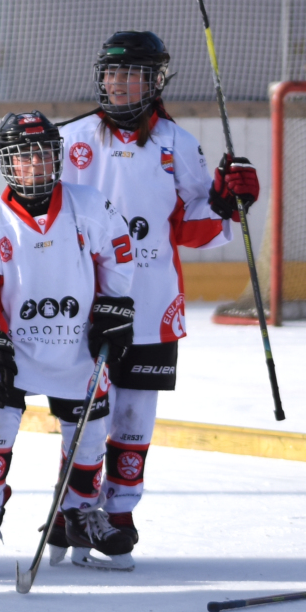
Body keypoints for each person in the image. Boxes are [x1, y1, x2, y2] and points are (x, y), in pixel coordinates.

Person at [58, 32, 257, 568]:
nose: (118, 84)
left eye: (132, 75)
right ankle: (72, 508)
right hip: (87, 303)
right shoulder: (70, 139)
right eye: (112, 74)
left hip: (153, 301)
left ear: (155, 82)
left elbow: (193, 227)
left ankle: (120, 512)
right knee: (85, 414)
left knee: (134, 415)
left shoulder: (177, 143)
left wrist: (228, 203)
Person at [0, 111, 137, 575]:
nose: (34, 164)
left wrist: (114, 307)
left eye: (42, 153)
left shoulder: (88, 205)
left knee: (89, 433)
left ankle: (80, 513)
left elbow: (119, 254)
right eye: (23, 156)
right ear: (7, 163)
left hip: (78, 346)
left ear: (57, 156)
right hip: (15, 348)